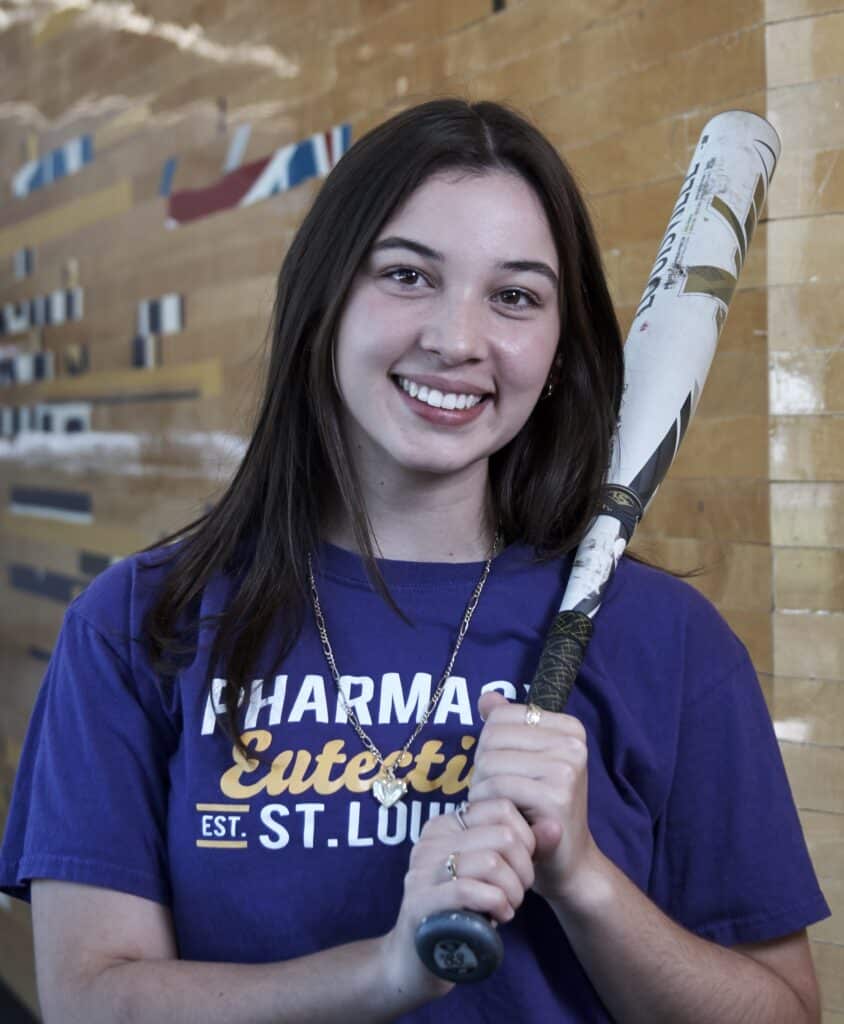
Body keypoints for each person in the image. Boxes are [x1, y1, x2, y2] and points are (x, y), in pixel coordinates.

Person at [0, 99, 829, 1023]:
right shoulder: (140, 622)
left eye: (514, 295)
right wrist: (386, 973)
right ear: (325, 301)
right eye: (407, 275)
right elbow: (90, 1002)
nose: (457, 339)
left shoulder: (670, 645)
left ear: (557, 349)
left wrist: (586, 881)